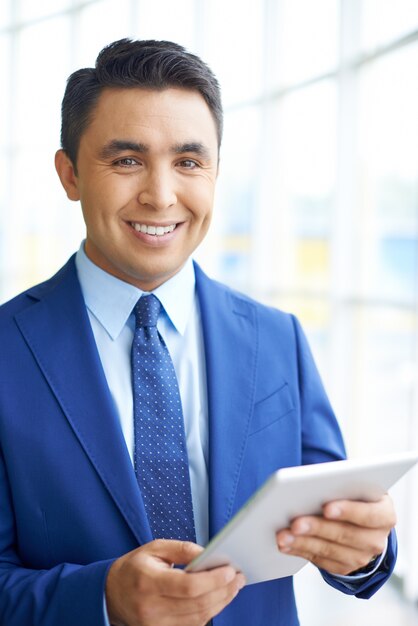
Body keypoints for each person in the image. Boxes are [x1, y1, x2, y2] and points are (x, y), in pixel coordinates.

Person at [0, 39, 396, 626]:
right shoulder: (7, 351)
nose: (161, 196)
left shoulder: (277, 338)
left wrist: (363, 552)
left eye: (188, 162)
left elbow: (332, 521)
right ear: (70, 174)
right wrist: (103, 600)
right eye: (127, 160)